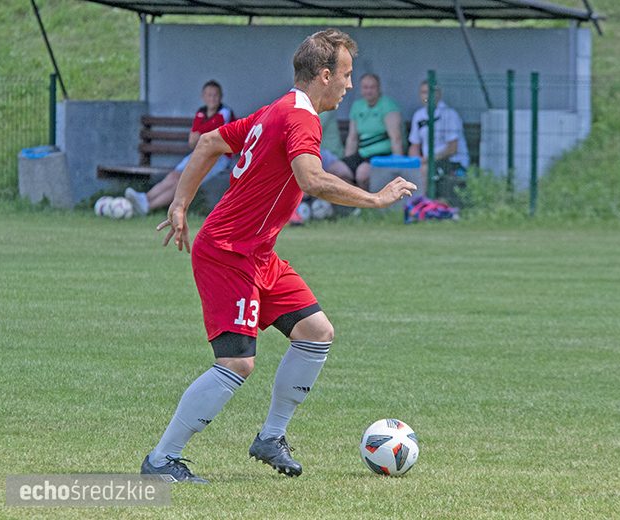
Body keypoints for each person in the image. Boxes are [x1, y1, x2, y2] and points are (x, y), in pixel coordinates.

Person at [140, 29, 416, 483]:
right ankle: (161, 460)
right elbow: (311, 179)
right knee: (236, 363)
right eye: (346, 75)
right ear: (324, 75)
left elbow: (209, 143)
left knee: (316, 332)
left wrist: (179, 203)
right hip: (228, 252)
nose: (349, 85)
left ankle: (271, 437)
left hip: (257, 253)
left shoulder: (277, 109)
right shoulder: (299, 119)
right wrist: (375, 198)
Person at [124, 80, 235, 215]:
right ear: (203, 96)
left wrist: (199, 137)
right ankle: (144, 198)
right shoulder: (200, 113)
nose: (212, 98)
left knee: (183, 183)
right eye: (209, 95)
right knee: (174, 176)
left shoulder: (225, 113)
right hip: (200, 153)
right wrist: (199, 138)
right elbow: (193, 142)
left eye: (215, 95)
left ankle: (147, 207)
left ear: (221, 96)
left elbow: (211, 138)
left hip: (219, 157)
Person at [326, 74, 404, 191]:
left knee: (362, 173)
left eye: (372, 87)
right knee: (334, 170)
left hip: (383, 156)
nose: (369, 91)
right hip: (362, 155)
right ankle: (354, 204)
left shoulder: (388, 105)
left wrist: (399, 165)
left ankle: (372, 204)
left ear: (379, 88)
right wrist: (348, 161)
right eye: (365, 87)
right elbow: (352, 138)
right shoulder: (357, 105)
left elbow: (396, 138)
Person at [408, 80, 469, 193]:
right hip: (428, 161)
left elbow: (452, 148)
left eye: (430, 92)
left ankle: (425, 204)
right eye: (424, 92)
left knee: (425, 170)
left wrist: (428, 160)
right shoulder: (418, 115)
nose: (427, 96)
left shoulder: (450, 114)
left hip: (451, 162)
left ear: (439, 94)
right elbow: (414, 145)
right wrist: (415, 161)